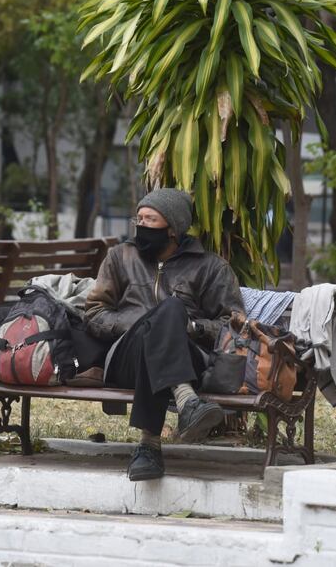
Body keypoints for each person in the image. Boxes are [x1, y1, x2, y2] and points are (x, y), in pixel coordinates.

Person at [84, 188, 245, 481]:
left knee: (171, 311)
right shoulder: (120, 257)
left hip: (188, 357)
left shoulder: (210, 267)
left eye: (151, 219)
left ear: (172, 229)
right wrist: (142, 326)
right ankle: (186, 401)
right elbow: (94, 312)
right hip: (126, 356)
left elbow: (233, 323)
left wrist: (193, 328)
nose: (141, 225)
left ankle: (149, 448)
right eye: (139, 218)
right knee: (161, 319)